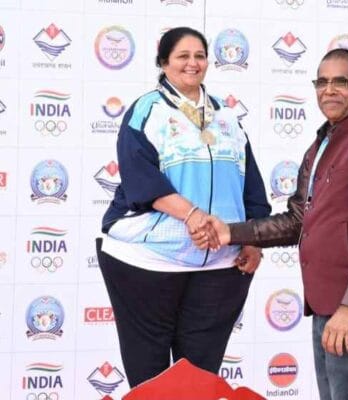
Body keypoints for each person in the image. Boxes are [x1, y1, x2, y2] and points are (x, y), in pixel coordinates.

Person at [196, 48, 348, 400]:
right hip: (328, 304)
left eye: (341, 82)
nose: (329, 90)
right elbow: (298, 221)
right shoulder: (324, 142)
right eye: (322, 82)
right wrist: (230, 232)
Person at [95, 27, 271, 387]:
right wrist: (191, 215)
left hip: (219, 263)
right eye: (183, 56)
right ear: (164, 62)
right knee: (151, 378)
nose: (193, 63)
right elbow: (139, 178)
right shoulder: (147, 110)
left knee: (201, 378)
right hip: (149, 260)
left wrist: (254, 240)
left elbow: (250, 184)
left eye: (200, 56)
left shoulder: (227, 117)